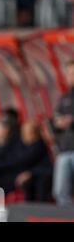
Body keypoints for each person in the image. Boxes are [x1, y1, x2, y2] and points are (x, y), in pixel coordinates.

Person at [52, 60, 74, 206]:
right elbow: (56, 118)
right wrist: (59, 122)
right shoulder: (65, 97)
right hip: (65, 150)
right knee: (60, 191)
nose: (70, 76)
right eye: (69, 73)